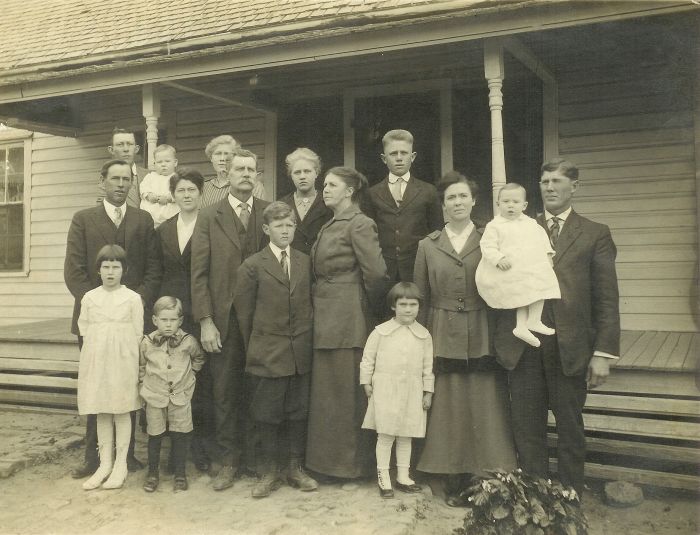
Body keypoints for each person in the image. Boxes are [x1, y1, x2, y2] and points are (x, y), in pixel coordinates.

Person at [493, 159, 620, 496]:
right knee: (527, 425)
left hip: (570, 345)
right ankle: (534, 498)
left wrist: (603, 353)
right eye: (544, 181)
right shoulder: (517, 225)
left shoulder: (595, 233)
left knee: (569, 425)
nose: (549, 187)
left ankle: (569, 496)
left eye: (557, 181)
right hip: (525, 344)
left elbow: (607, 299)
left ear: (574, 187)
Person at [414, 172, 517, 506]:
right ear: (443, 206)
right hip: (441, 328)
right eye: (450, 198)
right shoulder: (427, 245)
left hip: (483, 327)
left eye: (462, 197)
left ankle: (487, 475)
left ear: (474, 201)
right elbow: (421, 296)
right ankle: (451, 474)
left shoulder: (492, 239)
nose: (457, 203)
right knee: (448, 402)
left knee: (484, 401)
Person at [65, 159, 161, 479]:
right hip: (95, 320)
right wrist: (99, 303)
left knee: (125, 386)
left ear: (132, 184)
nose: (120, 184)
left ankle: (127, 455)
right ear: (102, 181)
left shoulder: (143, 219)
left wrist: (132, 302)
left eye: (126, 180)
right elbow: (74, 272)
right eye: (114, 179)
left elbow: (152, 269)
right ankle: (95, 457)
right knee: (98, 385)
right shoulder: (84, 219)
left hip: (129, 319)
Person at [191, 148, 270, 491]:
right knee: (223, 392)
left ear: (257, 175)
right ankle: (228, 461)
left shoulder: (269, 213)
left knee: (257, 390)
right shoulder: (210, 215)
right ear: (228, 173)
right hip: (223, 321)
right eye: (239, 169)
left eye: (251, 170)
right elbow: (199, 274)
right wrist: (206, 320)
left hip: (262, 320)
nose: (246, 175)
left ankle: (255, 460)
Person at [306, 166, 388, 479]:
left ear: (349, 191)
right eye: (324, 184)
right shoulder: (332, 223)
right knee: (329, 392)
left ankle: (349, 467)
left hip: (347, 318)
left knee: (343, 392)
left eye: (331, 185)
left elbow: (377, 274)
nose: (324, 189)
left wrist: (369, 311)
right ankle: (327, 464)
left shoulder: (359, 223)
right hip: (327, 314)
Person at [234, 201, 319, 498]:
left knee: (297, 411)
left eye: (290, 225)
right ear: (267, 229)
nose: (285, 230)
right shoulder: (253, 266)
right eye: (279, 225)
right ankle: (268, 471)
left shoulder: (306, 261)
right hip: (267, 353)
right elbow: (244, 315)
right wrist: (258, 347)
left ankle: (294, 468)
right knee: (267, 413)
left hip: (300, 353)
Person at [156, 168, 214, 472]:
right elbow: (158, 271)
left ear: (200, 193)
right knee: (173, 380)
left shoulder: (212, 223)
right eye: (181, 190)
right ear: (174, 195)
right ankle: (175, 451)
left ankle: (202, 449)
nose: (187, 195)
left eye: (192, 189)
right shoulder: (164, 229)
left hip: (203, 310)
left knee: (200, 381)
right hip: (173, 315)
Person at [77, 245, 143, 490]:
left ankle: (120, 465)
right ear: (99, 270)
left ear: (124, 270)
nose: (111, 272)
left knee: (121, 408)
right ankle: (105, 464)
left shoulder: (132, 298)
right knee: (102, 409)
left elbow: (137, 332)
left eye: (116, 267)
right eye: (106, 267)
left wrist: (126, 356)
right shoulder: (90, 297)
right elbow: (85, 328)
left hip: (123, 359)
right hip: (97, 358)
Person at [360, 282, 434, 499]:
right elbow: (367, 359)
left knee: (406, 435)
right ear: (393, 306)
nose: (408, 309)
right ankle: (384, 477)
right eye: (403, 304)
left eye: (413, 304)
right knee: (386, 434)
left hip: (412, 390)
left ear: (419, 307)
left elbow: (428, 366)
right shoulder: (381, 332)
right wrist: (366, 383)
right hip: (385, 389)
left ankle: (403, 476)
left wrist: (428, 391)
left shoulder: (424, 335)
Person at [475, 183, 560, 347]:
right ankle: (524, 325)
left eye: (515, 202)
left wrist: (548, 255)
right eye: (506, 202)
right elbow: (487, 245)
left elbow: (542, 239)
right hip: (507, 270)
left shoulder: (530, 224)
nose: (511, 206)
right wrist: (498, 258)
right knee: (522, 295)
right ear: (498, 204)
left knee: (536, 289)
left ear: (524, 205)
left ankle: (530, 322)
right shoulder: (494, 226)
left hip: (527, 269)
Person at [139, 296, 205, 493]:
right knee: (155, 435)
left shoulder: (188, 341)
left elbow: (199, 358)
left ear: (181, 321)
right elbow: (141, 366)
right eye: (164, 320)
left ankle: (180, 474)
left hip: (181, 396)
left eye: (173, 320)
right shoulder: (147, 342)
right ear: (155, 320)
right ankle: (152, 473)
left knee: (180, 435)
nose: (168, 325)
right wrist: (144, 385)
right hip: (154, 396)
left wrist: (190, 375)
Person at [364, 129, 443, 284]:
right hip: (383, 269)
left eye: (404, 153)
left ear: (412, 157)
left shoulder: (428, 191)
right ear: (384, 158)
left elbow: (437, 232)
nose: (399, 158)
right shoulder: (371, 194)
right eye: (393, 154)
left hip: (418, 268)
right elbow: (368, 235)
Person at [278, 148, 332, 255]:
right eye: (297, 172)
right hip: (293, 266)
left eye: (307, 171)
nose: (302, 176)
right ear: (291, 176)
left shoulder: (328, 202)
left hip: (322, 266)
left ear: (316, 173)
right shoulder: (282, 205)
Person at [201, 135, 266, 207]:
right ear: (211, 158)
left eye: (226, 154)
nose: (222, 158)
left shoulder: (253, 186)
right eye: (218, 154)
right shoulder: (203, 188)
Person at [98, 127, 149, 207]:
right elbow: (101, 207)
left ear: (136, 149)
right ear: (111, 150)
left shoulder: (150, 175)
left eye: (130, 144)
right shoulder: (107, 177)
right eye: (120, 144)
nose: (126, 149)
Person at [139, 144, 180, 227]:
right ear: (154, 163)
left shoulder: (177, 178)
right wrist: (148, 195)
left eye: (167, 161)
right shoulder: (150, 176)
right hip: (150, 218)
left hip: (169, 218)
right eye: (159, 162)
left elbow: (180, 193)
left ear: (175, 162)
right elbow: (143, 188)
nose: (163, 164)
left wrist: (169, 198)